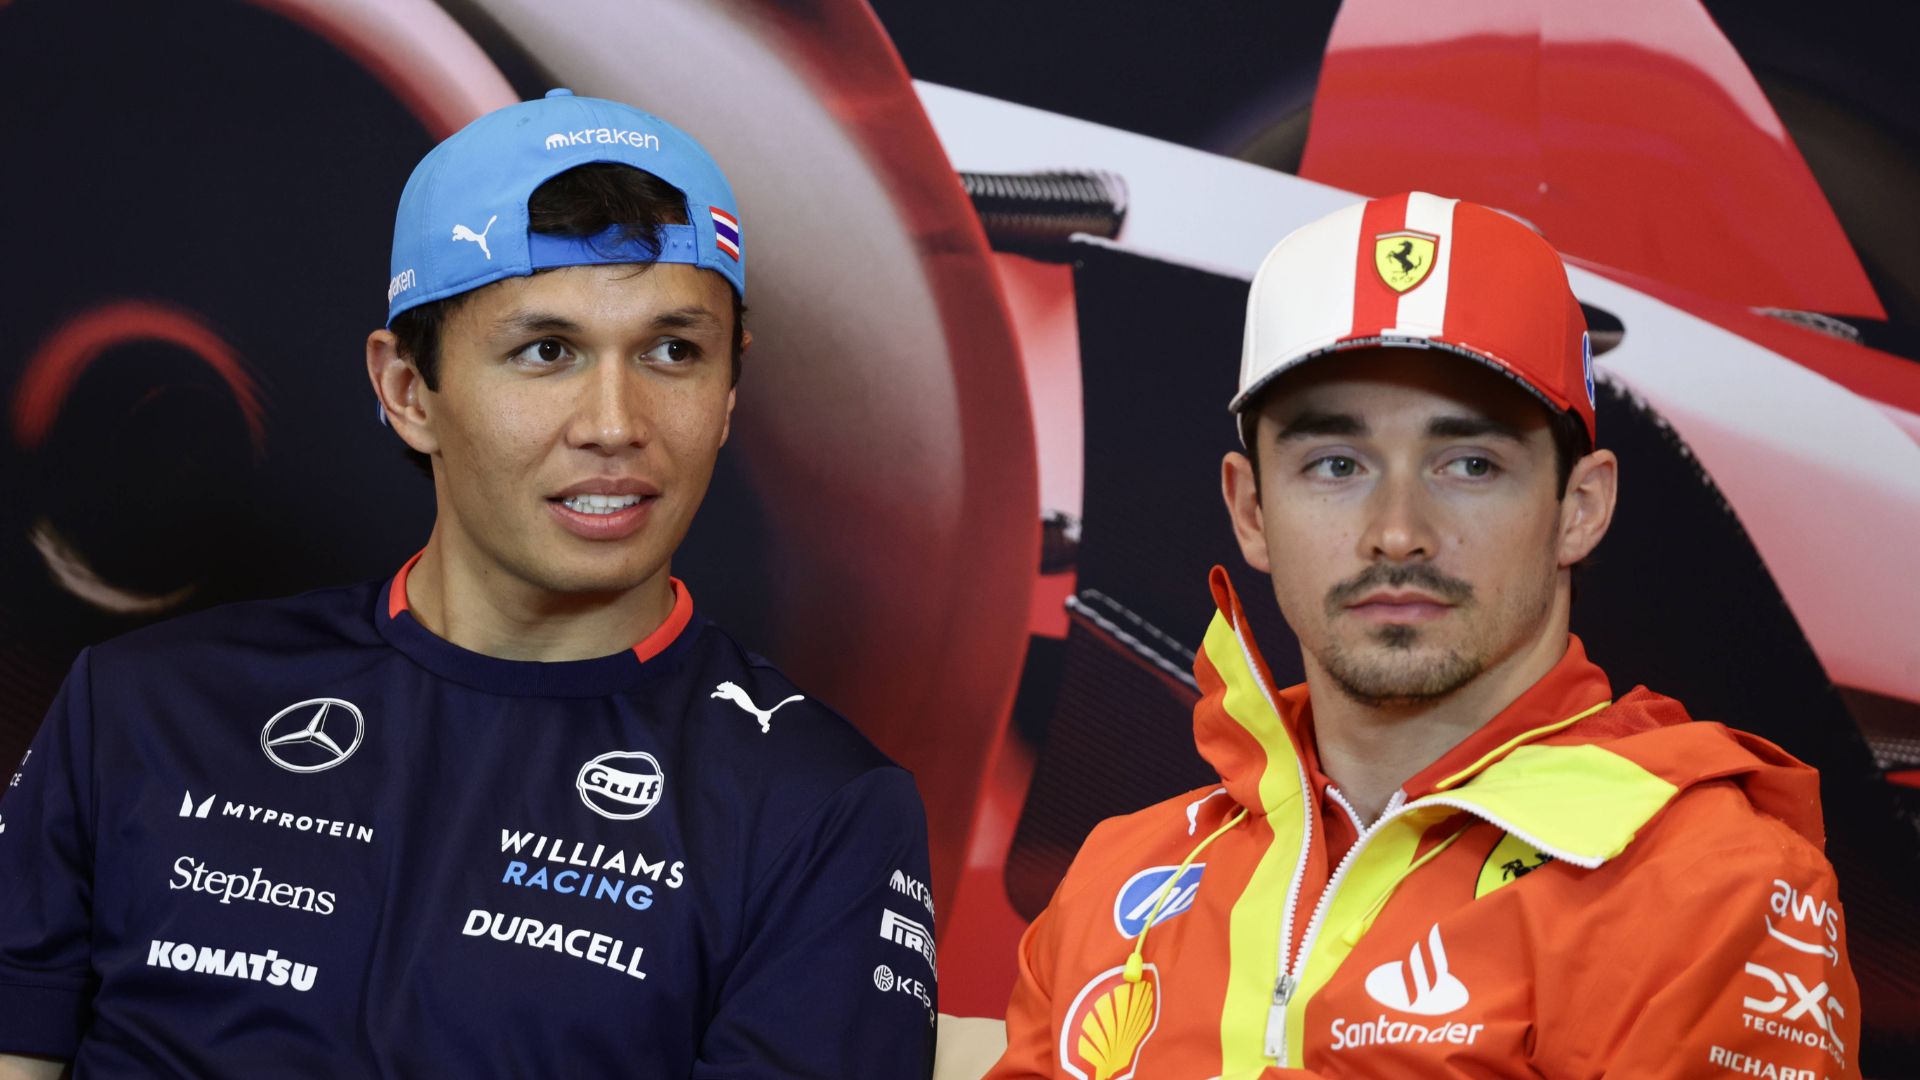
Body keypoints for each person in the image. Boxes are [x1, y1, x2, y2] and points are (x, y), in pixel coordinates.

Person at [0, 90, 937, 1078]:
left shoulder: (822, 808)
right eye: (547, 351)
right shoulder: (139, 705)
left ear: (730, 391)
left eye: (674, 351)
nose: (615, 422)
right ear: (408, 392)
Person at [987, 192, 1856, 1078]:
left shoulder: (1712, 884)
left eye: (1469, 465)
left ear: (1580, 508)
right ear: (1251, 510)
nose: (1398, 530)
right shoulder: (1114, 877)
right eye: (1336, 465)